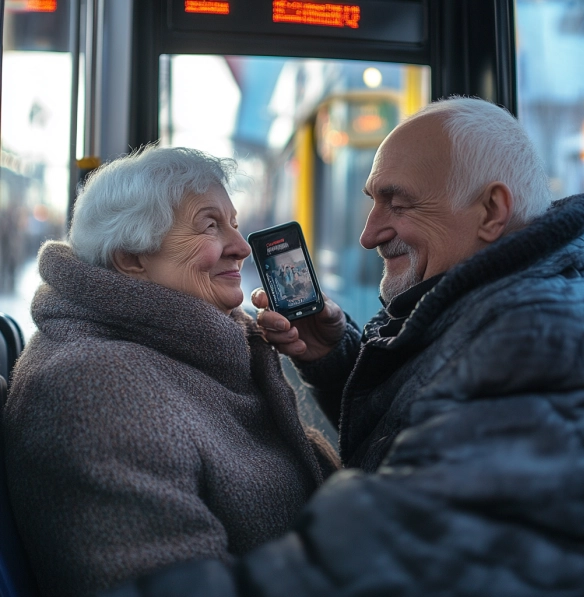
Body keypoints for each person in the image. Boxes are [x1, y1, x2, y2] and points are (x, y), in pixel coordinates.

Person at [101, 97, 584, 596]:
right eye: (372, 202)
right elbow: (436, 432)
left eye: (398, 204)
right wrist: (336, 360)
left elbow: (393, 555)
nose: (368, 235)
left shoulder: (538, 337)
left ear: (491, 211)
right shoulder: (504, 307)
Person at [1, 146, 339, 597]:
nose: (241, 248)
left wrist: (329, 363)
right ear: (131, 259)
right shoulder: (97, 388)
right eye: (210, 225)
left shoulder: (196, 347)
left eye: (234, 223)